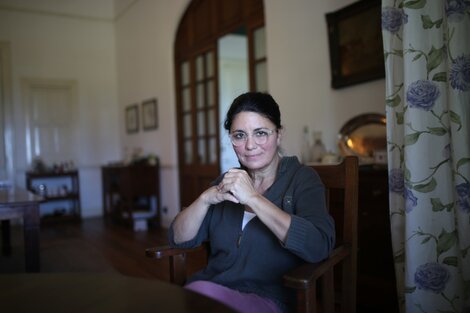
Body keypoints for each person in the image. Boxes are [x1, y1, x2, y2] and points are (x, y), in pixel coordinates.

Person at [168, 92, 335, 313]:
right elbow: (178, 239)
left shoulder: (302, 179)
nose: (249, 145)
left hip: (270, 299)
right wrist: (205, 199)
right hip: (212, 288)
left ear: (279, 134)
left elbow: (319, 246)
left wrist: (253, 199)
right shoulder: (226, 181)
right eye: (239, 135)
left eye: (261, 133)